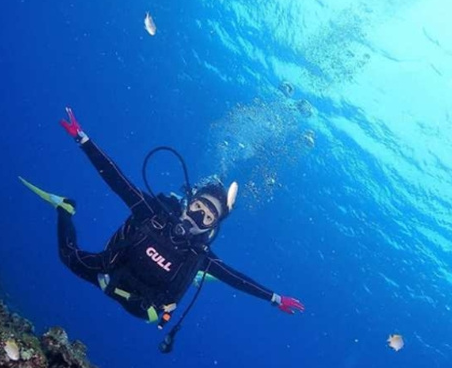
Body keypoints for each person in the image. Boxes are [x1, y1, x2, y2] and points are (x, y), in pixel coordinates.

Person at [20, 107, 304, 352]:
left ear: (212, 227)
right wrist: (83, 139)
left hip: (145, 308)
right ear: (188, 203)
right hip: (108, 275)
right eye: (198, 207)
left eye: (207, 217)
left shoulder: (199, 254)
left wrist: (275, 299)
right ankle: (65, 208)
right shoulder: (153, 213)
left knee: (194, 279)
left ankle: (193, 277)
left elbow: (236, 279)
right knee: (68, 257)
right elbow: (118, 180)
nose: (199, 216)